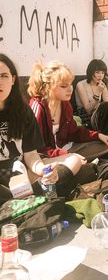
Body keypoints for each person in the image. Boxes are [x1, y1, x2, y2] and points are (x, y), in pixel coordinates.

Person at [27, 61, 108, 166]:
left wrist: (98, 136)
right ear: (47, 88)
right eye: (63, 86)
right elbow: (35, 149)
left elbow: (74, 132)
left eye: (70, 84)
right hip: (45, 156)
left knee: (105, 144)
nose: (70, 89)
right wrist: (67, 155)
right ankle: (74, 162)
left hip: (65, 148)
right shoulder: (38, 107)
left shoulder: (65, 104)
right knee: (69, 161)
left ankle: (75, 162)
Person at [0, 54, 58, 200]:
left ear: (13, 79)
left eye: (4, 76)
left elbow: (31, 155)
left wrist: (43, 170)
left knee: (67, 165)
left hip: (20, 174)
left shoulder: (24, 112)